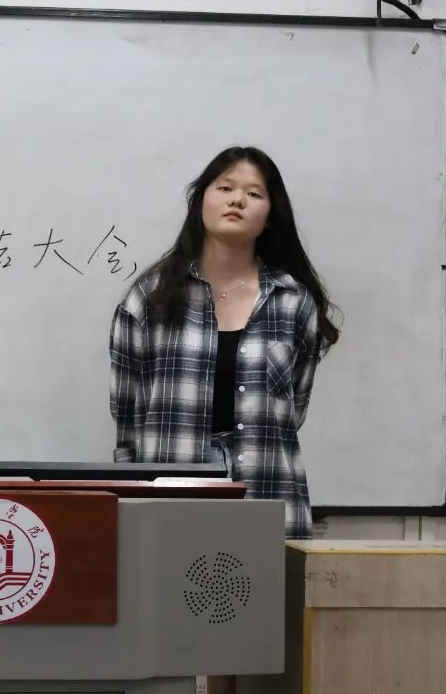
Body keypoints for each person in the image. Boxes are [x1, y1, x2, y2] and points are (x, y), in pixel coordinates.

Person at [109, 146, 340, 539]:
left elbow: (294, 409)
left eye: (254, 193)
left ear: (270, 215)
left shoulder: (292, 301)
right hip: (169, 500)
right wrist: (131, 496)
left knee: (268, 582)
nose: (237, 200)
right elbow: (127, 414)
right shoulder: (151, 297)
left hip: (268, 494)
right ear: (201, 200)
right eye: (226, 187)